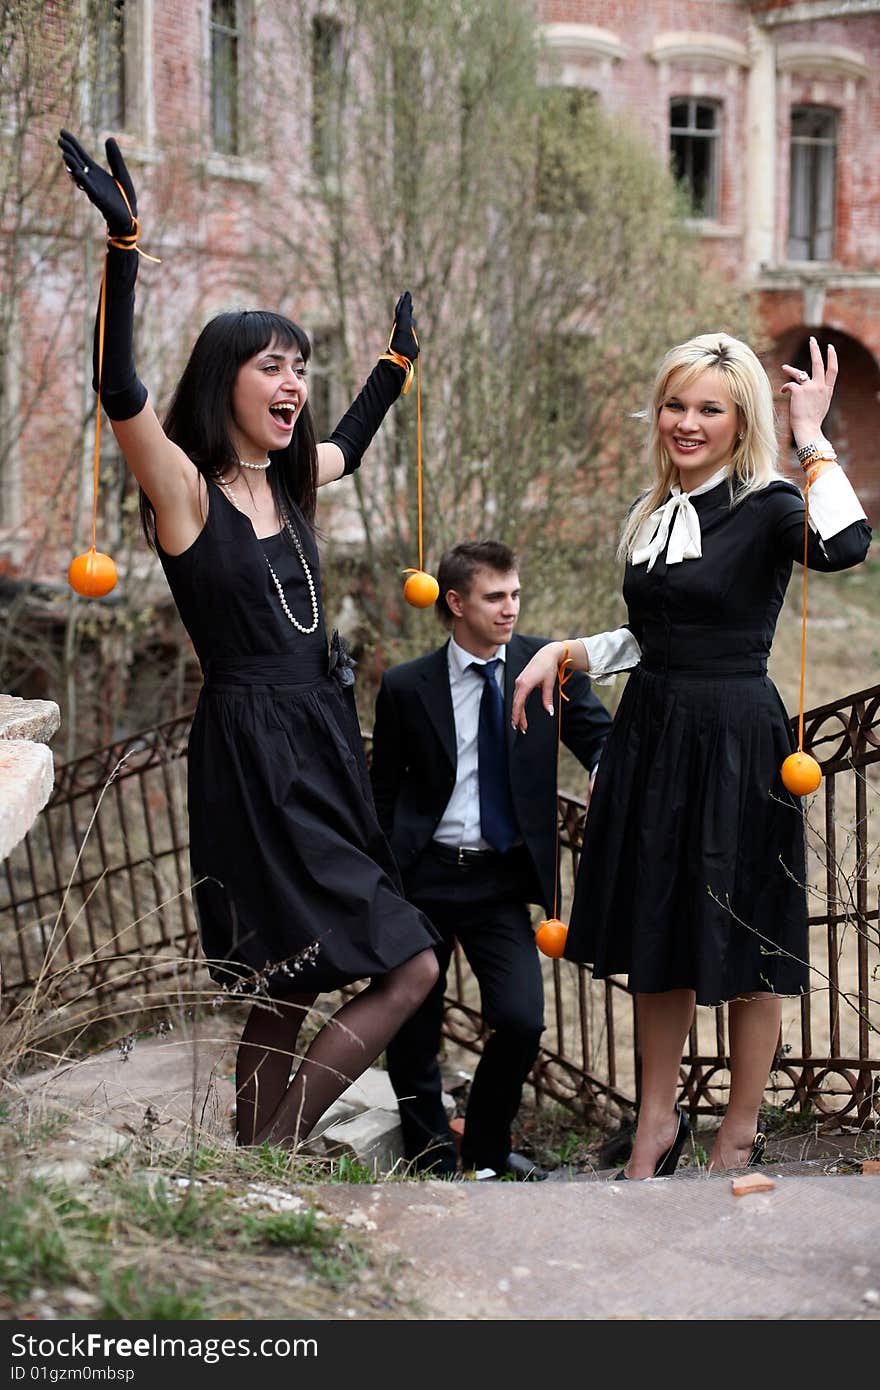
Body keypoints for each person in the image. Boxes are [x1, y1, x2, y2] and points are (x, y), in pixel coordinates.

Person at [59, 129, 441, 1151]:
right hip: (250, 748)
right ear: (227, 375)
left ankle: (247, 1159)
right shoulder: (184, 489)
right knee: (407, 963)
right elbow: (118, 389)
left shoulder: (291, 477)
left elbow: (350, 441)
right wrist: (125, 247)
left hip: (318, 733)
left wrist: (393, 365)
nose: (293, 382)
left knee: (291, 978)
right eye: (274, 365)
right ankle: (276, 1150)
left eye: (302, 369)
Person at [511, 332, 871, 1178]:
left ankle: (738, 1131)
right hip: (653, 732)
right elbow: (652, 631)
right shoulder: (654, 509)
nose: (686, 421)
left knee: (746, 936)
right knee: (657, 931)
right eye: (676, 404)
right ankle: (655, 1125)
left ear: (740, 416)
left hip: (736, 740)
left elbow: (848, 548)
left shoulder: (769, 503)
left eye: (709, 407)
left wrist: (812, 438)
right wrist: (567, 650)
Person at [370, 540, 612, 1178]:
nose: (510, 610)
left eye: (515, 595)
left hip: (500, 880)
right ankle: (430, 1158)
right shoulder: (405, 686)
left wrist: (608, 772)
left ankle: (484, 1148)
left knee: (521, 1017)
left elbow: (601, 740)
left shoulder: (546, 666)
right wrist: (379, 879)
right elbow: (383, 790)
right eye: (494, 597)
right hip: (420, 880)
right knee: (413, 1024)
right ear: (455, 603)